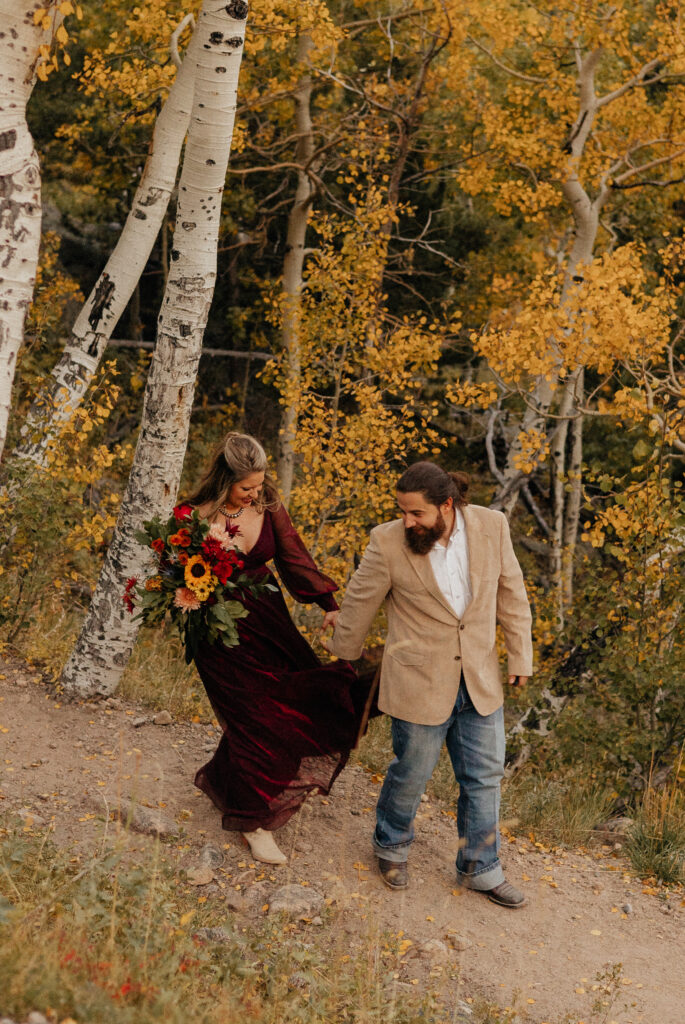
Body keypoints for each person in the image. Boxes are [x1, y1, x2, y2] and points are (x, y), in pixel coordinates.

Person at [322, 461, 533, 908]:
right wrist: (343, 658)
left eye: (416, 513)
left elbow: (511, 591)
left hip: (479, 678)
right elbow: (361, 599)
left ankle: (481, 867)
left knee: (484, 776)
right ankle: (391, 844)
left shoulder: (492, 526)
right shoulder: (387, 541)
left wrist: (521, 655)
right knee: (412, 772)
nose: (407, 521)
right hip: (417, 680)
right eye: (402, 511)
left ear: (446, 505)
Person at [187, 431, 373, 866]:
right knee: (252, 715)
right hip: (217, 635)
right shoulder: (192, 515)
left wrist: (328, 603)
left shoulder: (268, 507)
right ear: (223, 480)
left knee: (289, 701)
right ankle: (252, 821)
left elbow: (294, 558)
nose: (256, 492)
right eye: (246, 487)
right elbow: (175, 574)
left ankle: (224, 780)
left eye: (260, 482)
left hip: (269, 624)